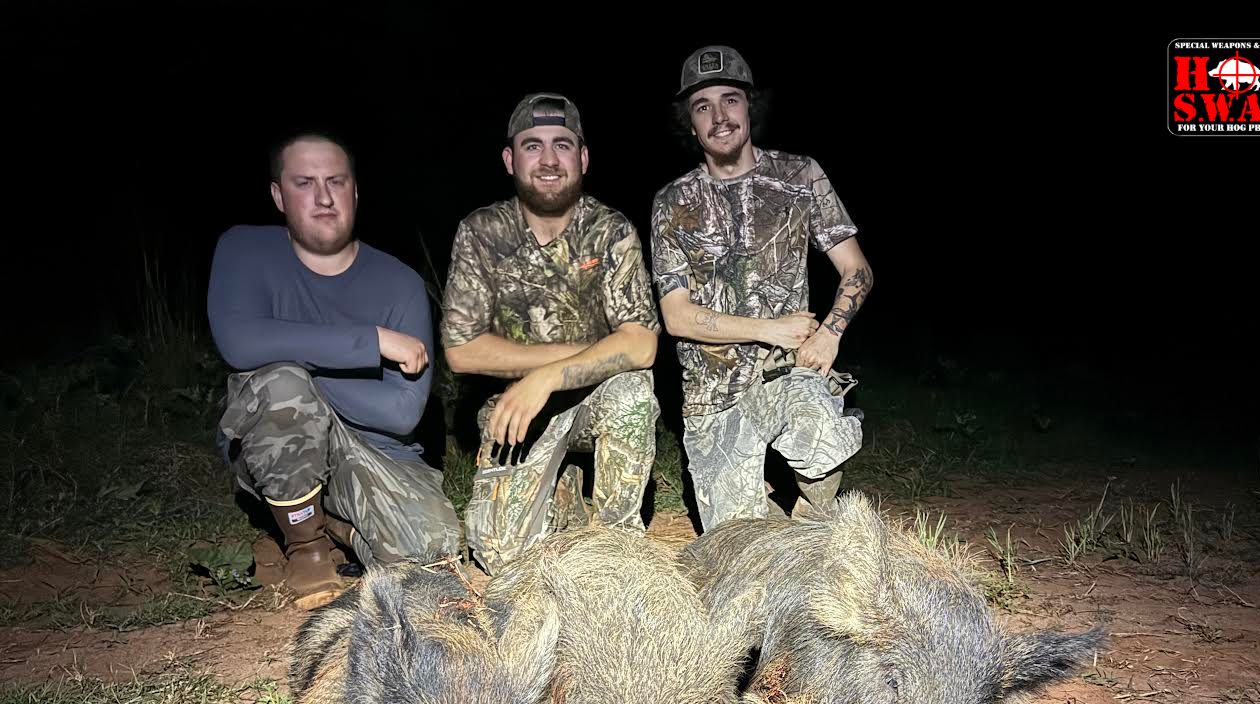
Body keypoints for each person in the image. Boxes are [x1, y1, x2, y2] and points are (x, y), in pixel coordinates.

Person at [207, 131, 460, 610]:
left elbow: (402, 413)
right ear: (278, 195)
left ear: (355, 192)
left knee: (432, 556)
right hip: (280, 437)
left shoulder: (400, 283)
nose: (323, 197)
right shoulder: (245, 249)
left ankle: (336, 527)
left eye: (336, 182)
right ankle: (307, 547)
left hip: (372, 448)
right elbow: (240, 342)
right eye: (304, 183)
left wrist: (306, 369)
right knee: (284, 387)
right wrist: (371, 341)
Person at [650, 45, 873, 530]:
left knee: (819, 431)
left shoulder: (800, 175)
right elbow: (676, 317)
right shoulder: (672, 201)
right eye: (702, 106)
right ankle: (767, 513)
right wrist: (768, 329)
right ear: (691, 124)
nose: (719, 117)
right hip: (712, 395)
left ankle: (819, 517)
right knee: (738, 543)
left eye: (730, 100)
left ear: (749, 106)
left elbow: (857, 270)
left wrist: (829, 334)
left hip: (787, 375)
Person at [441, 93, 661, 574]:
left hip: (592, 399)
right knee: (503, 560)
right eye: (532, 146)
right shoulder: (482, 232)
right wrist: (588, 352)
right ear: (510, 159)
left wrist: (547, 376)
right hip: (515, 410)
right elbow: (462, 350)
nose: (548, 160)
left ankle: (616, 548)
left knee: (632, 393)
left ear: (582, 158)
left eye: (562, 145)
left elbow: (642, 344)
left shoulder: (611, 230)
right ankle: (563, 489)